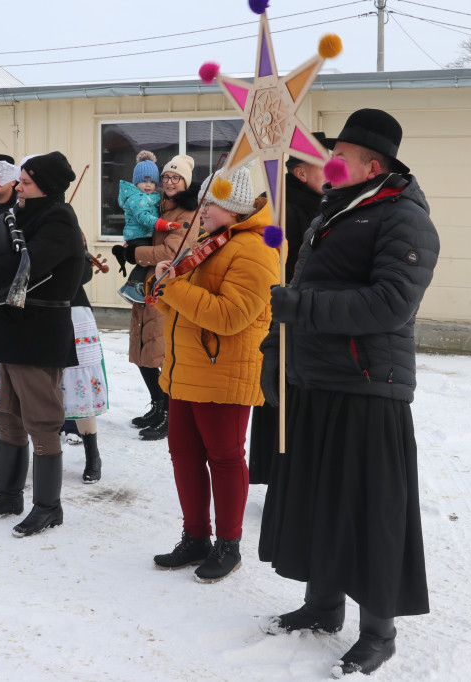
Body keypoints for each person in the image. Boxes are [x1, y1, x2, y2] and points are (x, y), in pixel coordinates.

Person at [257, 109, 440, 677]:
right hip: (314, 377)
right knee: (318, 499)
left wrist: (301, 308)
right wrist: (274, 353)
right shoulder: (335, 213)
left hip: (367, 386)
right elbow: (298, 291)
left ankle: (379, 632)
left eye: (341, 155)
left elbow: (392, 304)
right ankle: (323, 605)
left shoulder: (404, 219)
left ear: (373, 165)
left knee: (369, 510)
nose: (328, 163)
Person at [150, 164, 278, 582]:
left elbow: (230, 317)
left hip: (224, 371)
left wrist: (176, 289)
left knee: (224, 458)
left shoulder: (257, 250)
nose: (200, 209)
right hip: (187, 367)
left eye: (209, 202)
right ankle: (195, 537)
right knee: (183, 455)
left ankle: (229, 544)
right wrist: (163, 292)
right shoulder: (212, 242)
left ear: (232, 206)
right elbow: (187, 308)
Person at [0, 151, 85, 538]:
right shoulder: (21, 214)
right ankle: (8, 494)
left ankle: (48, 506)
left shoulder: (59, 219)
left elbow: (24, 265)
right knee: (7, 415)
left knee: (42, 419)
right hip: (11, 327)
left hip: (39, 331)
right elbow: (3, 260)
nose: (19, 185)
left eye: (27, 181)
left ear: (46, 186)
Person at [0, 240, 110, 483]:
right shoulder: (15, 231)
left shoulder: (64, 230)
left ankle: (92, 455)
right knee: (9, 386)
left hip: (70, 312)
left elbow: (82, 274)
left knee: (78, 384)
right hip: (22, 314)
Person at [248, 133, 328, 484]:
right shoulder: (280, 209)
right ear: (300, 173)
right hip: (284, 317)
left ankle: (288, 474)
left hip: (305, 316)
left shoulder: (319, 204)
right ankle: (280, 476)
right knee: (280, 398)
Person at [116, 154, 198, 442]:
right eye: (166, 177)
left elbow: (170, 253)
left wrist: (132, 254)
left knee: (160, 353)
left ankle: (170, 413)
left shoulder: (187, 213)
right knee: (143, 351)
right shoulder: (157, 206)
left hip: (169, 290)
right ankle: (158, 404)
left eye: (176, 177)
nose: (169, 182)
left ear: (186, 182)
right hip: (148, 287)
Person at [114, 151, 183, 304]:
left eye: (152, 182)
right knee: (145, 259)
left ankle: (133, 286)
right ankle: (132, 285)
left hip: (144, 234)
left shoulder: (153, 197)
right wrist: (161, 224)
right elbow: (142, 216)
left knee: (146, 258)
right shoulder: (136, 198)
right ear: (136, 182)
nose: (148, 185)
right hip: (138, 235)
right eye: (144, 181)